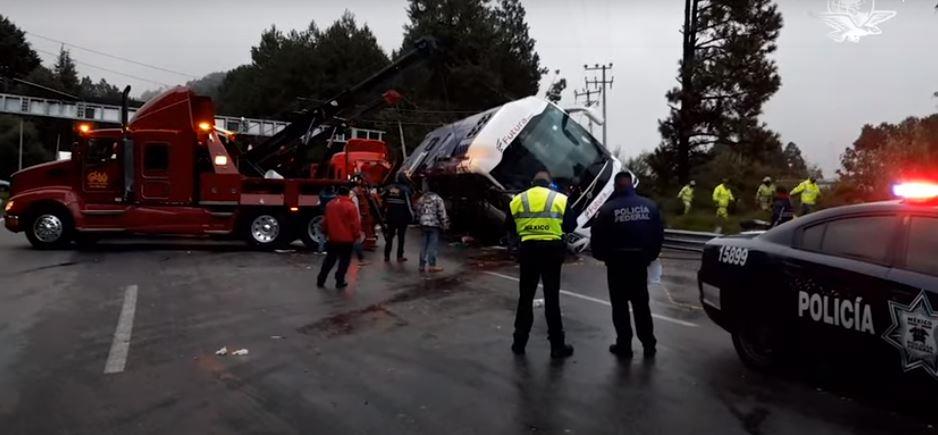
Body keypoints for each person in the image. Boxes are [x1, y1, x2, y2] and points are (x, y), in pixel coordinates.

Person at [590, 171, 664, 358]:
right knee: (641, 306)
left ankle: (624, 345)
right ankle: (649, 344)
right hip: (639, 265)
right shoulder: (650, 206)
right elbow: (659, 236)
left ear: (616, 187)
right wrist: (650, 256)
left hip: (616, 267)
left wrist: (604, 257)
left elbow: (596, 241)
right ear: (632, 185)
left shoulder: (607, 210)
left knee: (620, 307)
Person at [506, 170, 576, 359]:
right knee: (552, 298)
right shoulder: (559, 199)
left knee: (525, 298)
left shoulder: (518, 200)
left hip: (528, 250)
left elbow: (510, 227)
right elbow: (571, 225)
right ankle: (557, 346)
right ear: (549, 183)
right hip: (552, 250)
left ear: (532, 182)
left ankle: (519, 343)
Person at [317, 185, 361, 289]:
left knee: (329, 260)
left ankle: (321, 279)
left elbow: (325, 221)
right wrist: (357, 236)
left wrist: (325, 231)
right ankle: (339, 280)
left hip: (333, 238)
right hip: (347, 239)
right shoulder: (351, 206)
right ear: (347, 194)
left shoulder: (330, 205)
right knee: (344, 261)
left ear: (337, 194)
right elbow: (355, 224)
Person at [415, 180, 448, 273]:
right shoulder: (438, 199)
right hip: (434, 225)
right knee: (432, 245)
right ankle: (432, 265)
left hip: (423, 224)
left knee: (423, 245)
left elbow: (417, 210)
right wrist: (445, 224)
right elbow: (442, 213)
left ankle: (421, 265)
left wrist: (419, 220)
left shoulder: (422, 198)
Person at [381, 174, 414, 262]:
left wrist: (382, 213)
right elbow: (409, 205)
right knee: (401, 237)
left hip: (390, 216)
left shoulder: (388, 188)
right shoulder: (405, 190)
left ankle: (386, 256)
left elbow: (382, 199)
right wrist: (412, 216)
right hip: (402, 218)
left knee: (390, 236)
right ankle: (399, 256)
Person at [348, 183, 367, 264]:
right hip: (354, 222)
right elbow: (356, 211)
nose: (358, 189)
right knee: (357, 240)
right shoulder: (354, 197)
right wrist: (358, 221)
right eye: (357, 187)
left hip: (348, 222)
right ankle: (360, 259)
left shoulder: (348, 195)